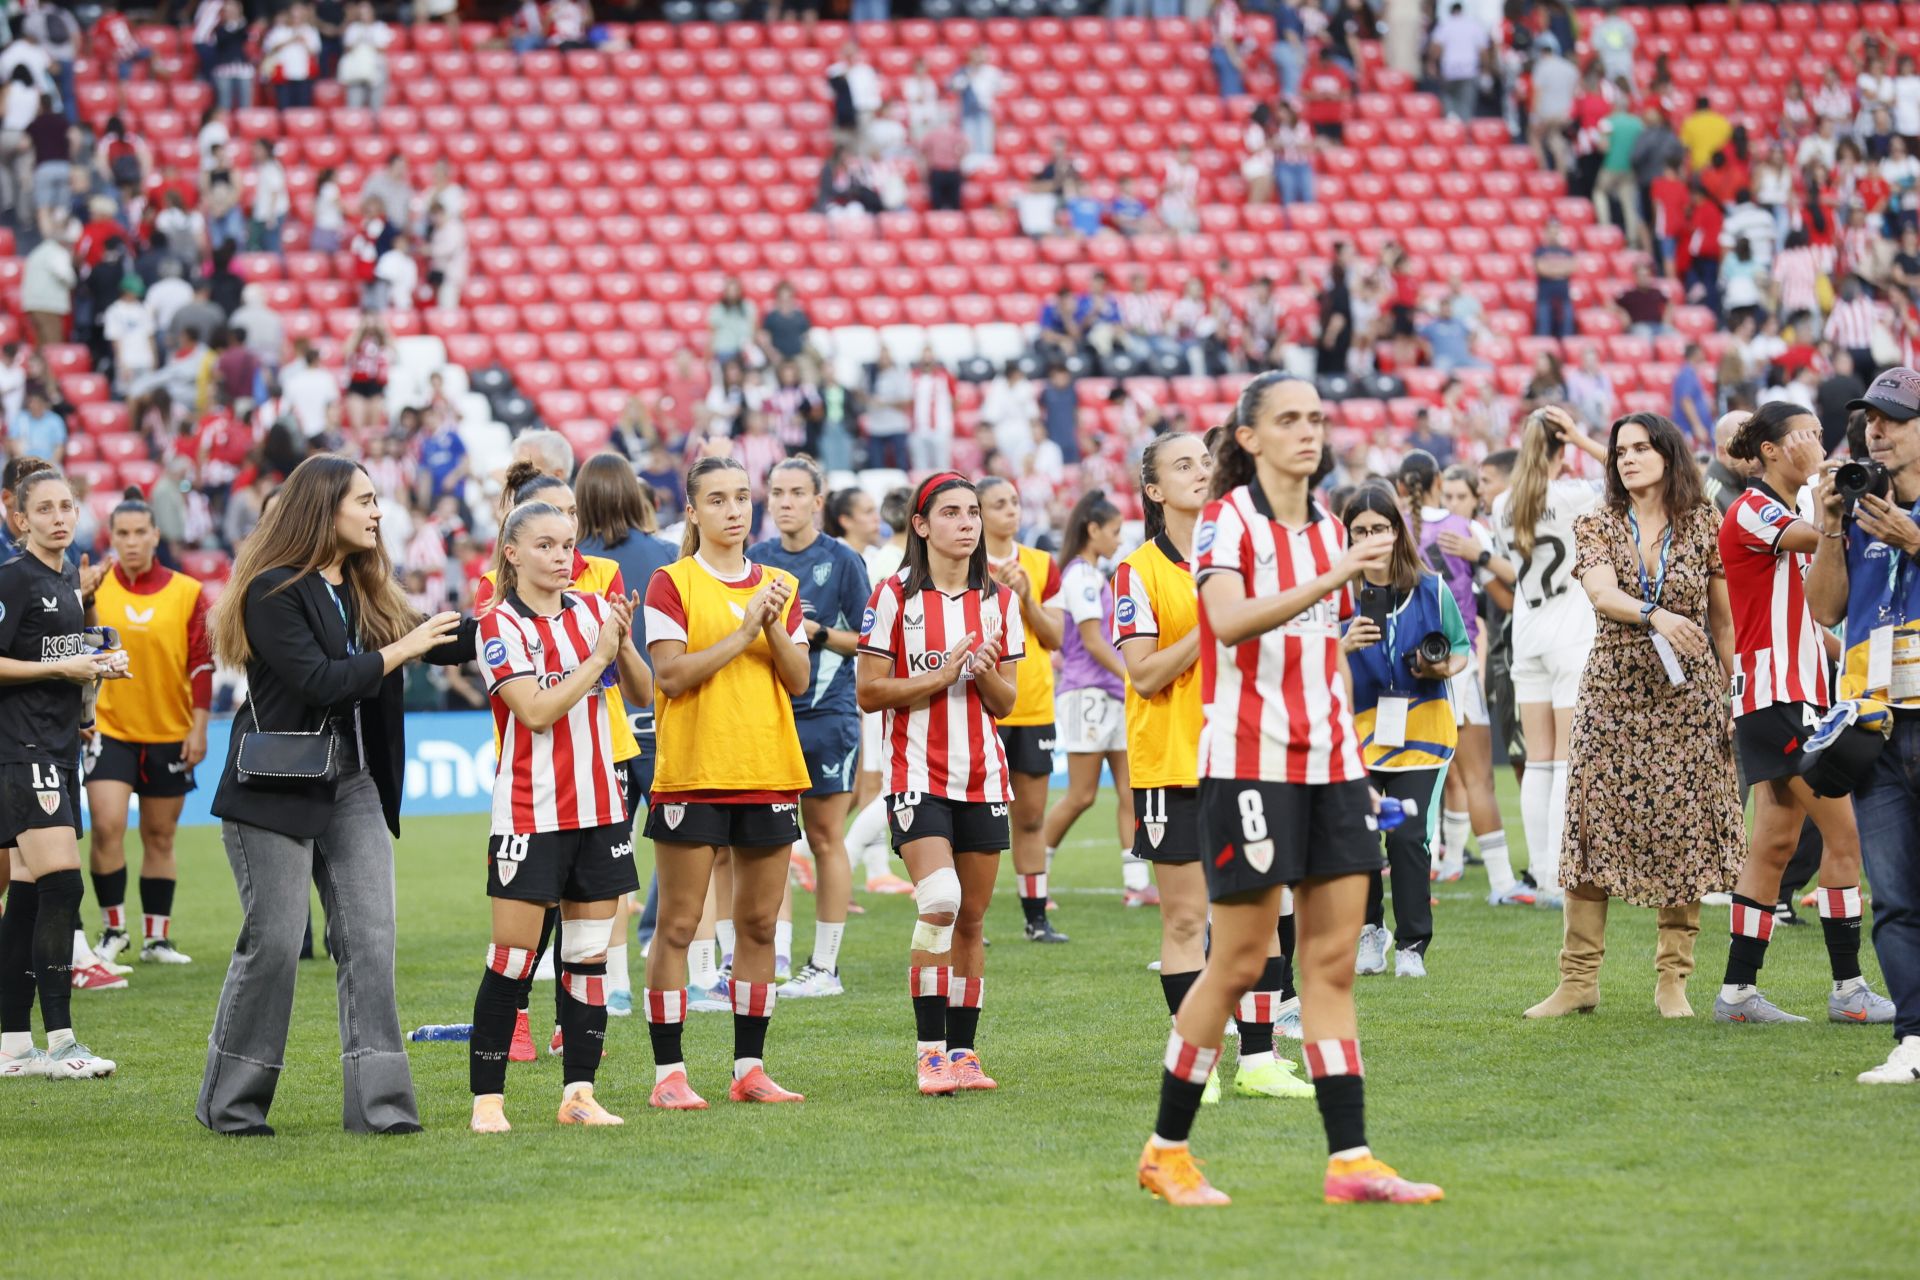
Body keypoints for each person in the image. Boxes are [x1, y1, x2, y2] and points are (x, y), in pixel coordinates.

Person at [1135, 375, 1442, 1207]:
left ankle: (1352, 1161)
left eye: (1315, 417)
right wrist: (1336, 574)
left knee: (1331, 968)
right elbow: (1226, 623)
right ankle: (1167, 1150)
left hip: (1333, 766)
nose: (1308, 432)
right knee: (1236, 961)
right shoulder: (1226, 524)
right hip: (1249, 765)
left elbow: (1313, 647)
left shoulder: (1330, 529)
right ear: (1249, 438)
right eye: (1287, 420)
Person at [197, 456, 472, 1135]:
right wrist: (403, 647)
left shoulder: (363, 586)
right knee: (276, 942)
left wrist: (511, 612)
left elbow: (436, 641)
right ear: (325, 508)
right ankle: (230, 1104)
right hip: (273, 788)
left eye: (379, 500)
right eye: (367, 500)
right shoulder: (271, 590)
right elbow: (323, 681)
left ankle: (380, 1110)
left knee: (371, 941)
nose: (379, 512)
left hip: (354, 784)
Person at [1527, 413, 1743, 1021]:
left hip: (1690, 698)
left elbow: (1723, 624)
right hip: (1612, 691)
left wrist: (1730, 697)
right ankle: (1577, 982)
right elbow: (1600, 593)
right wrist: (1656, 615)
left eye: (1642, 448)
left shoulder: (1705, 524)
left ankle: (1672, 981)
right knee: (1593, 829)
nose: (1628, 458)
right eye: (1621, 450)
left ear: (1669, 456)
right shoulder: (1596, 521)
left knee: (1684, 832)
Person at [467, 496, 652, 1134]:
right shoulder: (498, 625)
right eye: (545, 545)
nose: (560, 557)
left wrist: (621, 644)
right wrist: (599, 656)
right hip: (530, 812)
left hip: (601, 809)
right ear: (512, 554)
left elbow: (644, 692)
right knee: (514, 959)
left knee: (587, 958)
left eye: (567, 545)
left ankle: (579, 1094)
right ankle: (487, 1101)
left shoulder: (595, 610)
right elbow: (537, 711)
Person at [1713, 404, 1895, 1025]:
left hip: (1785, 694)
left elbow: (1811, 616)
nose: (1819, 444)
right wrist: (1847, 509)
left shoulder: (1783, 511)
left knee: (1774, 842)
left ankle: (1737, 995)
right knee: (1844, 837)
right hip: (1780, 696)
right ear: (1771, 450)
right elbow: (1822, 540)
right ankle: (1848, 990)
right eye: (1807, 436)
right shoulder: (1755, 508)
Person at [639, 456, 811, 1110]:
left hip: (767, 769)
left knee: (760, 927)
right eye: (718, 499)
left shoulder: (779, 586)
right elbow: (673, 677)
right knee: (679, 925)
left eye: (742, 497)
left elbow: (797, 680)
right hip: (693, 773)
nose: (734, 510)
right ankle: (669, 1075)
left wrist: (767, 625)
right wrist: (744, 632)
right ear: (693, 510)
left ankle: (750, 1067)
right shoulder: (671, 582)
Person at [856, 472, 1023, 1096]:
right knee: (941, 901)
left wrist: (980, 675)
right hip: (915, 776)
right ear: (921, 525)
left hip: (983, 778)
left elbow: (1007, 702)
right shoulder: (893, 596)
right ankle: (929, 1055)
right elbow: (869, 692)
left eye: (973, 512)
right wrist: (941, 674)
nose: (968, 523)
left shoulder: (999, 602)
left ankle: (964, 1053)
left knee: (973, 920)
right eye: (951, 512)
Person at [1805, 367, 1920, 1084]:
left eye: (1894, 417)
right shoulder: (1856, 505)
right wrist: (1828, 530)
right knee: (1896, 897)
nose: (1876, 429)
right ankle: (1914, 1040)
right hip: (1873, 722)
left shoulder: (1899, 518)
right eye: (1871, 417)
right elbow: (1823, 609)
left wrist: (1914, 537)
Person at [0, 470, 127, 1081]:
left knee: (25, 898)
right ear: (19, 519)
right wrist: (65, 668)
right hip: (23, 751)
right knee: (63, 888)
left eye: (67, 505)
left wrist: (94, 668)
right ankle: (63, 1043)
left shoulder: (68, 581)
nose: (58, 516)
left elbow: (53, 660)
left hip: (54, 747)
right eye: (43, 508)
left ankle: (12, 1046)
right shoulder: (14, 578)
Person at [751, 457, 871, 999]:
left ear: (818, 501)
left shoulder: (843, 562)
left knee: (825, 837)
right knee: (771, 840)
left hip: (827, 715)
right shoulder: (755, 560)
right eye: (777, 492)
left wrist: (818, 634)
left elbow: (870, 642)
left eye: (797, 492)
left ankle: (826, 968)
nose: (785, 502)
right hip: (769, 717)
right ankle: (773, 957)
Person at [1339, 484, 1470, 979]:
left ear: (1397, 531)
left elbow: (1458, 647)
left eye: (1380, 527)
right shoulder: (1336, 593)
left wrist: (1441, 669)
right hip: (1357, 736)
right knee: (1360, 836)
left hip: (1425, 734)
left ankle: (1412, 943)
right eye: (1361, 530)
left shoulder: (1431, 588)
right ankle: (1370, 930)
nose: (1372, 537)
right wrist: (1343, 643)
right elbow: (1310, 661)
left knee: (1409, 836)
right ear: (1348, 537)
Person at [1487, 407, 1608, 910]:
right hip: (1570, 634)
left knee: (1537, 760)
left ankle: (1539, 872)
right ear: (1563, 450)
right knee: (1562, 761)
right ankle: (1560, 875)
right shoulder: (1575, 495)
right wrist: (1584, 438)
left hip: (1527, 632)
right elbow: (1626, 477)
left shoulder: (1501, 503)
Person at [84, 494, 211, 970]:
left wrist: (198, 728)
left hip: (169, 731)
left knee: (160, 835)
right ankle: (114, 930)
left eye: (141, 533)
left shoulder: (187, 591)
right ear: (111, 539)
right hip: (109, 728)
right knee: (108, 826)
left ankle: (157, 939)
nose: (132, 542)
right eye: (123, 534)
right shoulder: (93, 588)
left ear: (156, 535)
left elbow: (201, 666)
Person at [573, 453, 678, 1001]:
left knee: (609, 856)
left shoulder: (573, 564)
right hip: (664, 716)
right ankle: (682, 965)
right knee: (678, 848)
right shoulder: (665, 554)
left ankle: (611, 984)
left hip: (603, 727)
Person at [1409, 454, 1525, 902]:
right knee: (1478, 777)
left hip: (1402, 665)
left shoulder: (1392, 526)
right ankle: (1500, 882)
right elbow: (1512, 597)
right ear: (1439, 481)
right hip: (1455, 662)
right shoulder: (1465, 530)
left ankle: (1428, 870)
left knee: (1412, 775)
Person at [1040, 490, 1145, 906]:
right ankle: (1036, 877)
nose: (1119, 540)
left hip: (1112, 693)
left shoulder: (1094, 575)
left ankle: (1136, 884)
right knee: (1082, 794)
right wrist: (1133, 675)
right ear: (1093, 530)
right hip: (1088, 694)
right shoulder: (1081, 577)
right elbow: (1092, 642)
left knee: (1130, 790)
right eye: (1115, 531)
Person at [977, 476, 1069, 943]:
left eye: (1014, 502)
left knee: (1031, 816)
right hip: (979, 707)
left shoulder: (1040, 564)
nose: (1011, 511)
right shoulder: (962, 564)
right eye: (998, 504)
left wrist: (1028, 596)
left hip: (1032, 706)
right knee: (974, 815)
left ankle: (1036, 918)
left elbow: (1055, 637)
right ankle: (968, 917)